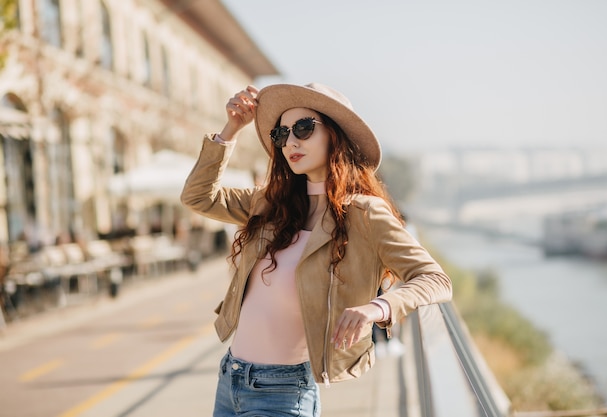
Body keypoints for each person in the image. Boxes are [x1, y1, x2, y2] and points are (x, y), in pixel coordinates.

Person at [180, 83, 452, 417]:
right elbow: (197, 197)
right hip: (230, 378)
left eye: (304, 128)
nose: (291, 141)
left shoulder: (364, 214)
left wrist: (376, 308)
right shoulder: (270, 204)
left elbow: (435, 278)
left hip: (283, 392)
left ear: (335, 135)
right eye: (282, 133)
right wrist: (232, 129)